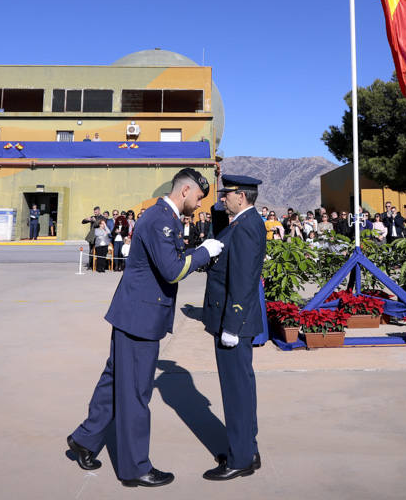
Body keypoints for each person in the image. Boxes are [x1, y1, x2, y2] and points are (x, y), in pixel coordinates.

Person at [67, 168, 224, 488]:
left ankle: (86, 438)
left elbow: (169, 258)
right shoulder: (162, 219)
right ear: (185, 191)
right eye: (198, 197)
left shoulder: (160, 216)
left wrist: (197, 252)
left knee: (114, 383)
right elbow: (172, 269)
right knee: (135, 393)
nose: (198, 204)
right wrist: (205, 252)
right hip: (141, 318)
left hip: (134, 313)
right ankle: (134, 466)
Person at [202, 174, 267, 481]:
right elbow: (221, 231)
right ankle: (246, 447)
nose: (222, 197)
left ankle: (240, 458)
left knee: (236, 390)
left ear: (241, 197)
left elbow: (242, 280)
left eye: (226, 193)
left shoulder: (247, 227)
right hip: (235, 321)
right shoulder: (241, 222)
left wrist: (231, 324)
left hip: (234, 322)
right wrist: (219, 205)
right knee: (242, 387)